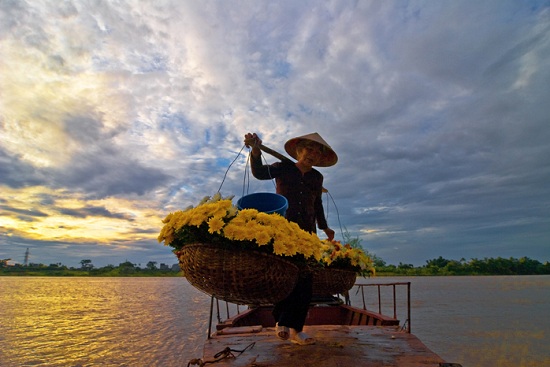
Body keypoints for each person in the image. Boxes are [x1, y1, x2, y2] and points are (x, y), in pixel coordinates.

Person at [244, 131, 338, 345]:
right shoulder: (283, 168)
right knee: (285, 276)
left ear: (320, 159)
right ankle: (282, 322)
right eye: (308, 149)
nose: (311, 154)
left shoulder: (316, 178)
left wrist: (325, 227)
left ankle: (297, 329)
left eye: (316, 152)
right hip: (284, 230)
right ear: (298, 151)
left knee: (305, 280)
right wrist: (256, 151)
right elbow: (259, 173)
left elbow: (317, 205)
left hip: (307, 233)